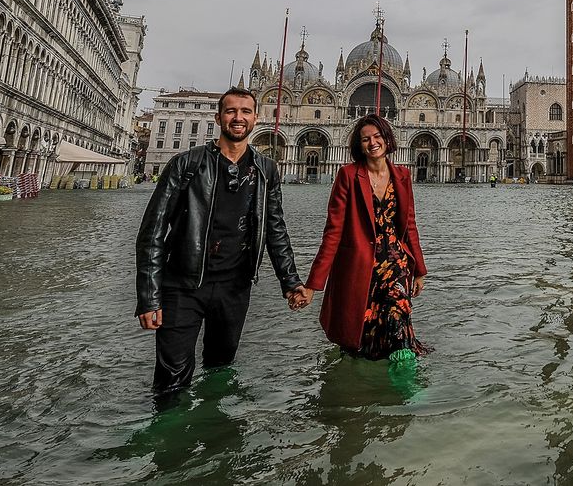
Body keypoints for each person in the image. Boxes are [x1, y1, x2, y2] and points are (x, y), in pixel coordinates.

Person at [135, 87, 306, 400]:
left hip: (234, 287)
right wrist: (148, 297)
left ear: (256, 118)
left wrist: (290, 281)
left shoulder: (266, 170)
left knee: (220, 369)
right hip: (183, 285)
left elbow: (275, 229)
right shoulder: (186, 164)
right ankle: (169, 441)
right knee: (171, 379)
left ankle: (213, 437)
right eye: (231, 111)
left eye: (245, 112)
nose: (238, 118)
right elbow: (153, 230)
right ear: (219, 118)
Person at [293, 114, 429, 363]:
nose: (373, 142)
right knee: (363, 336)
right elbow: (333, 232)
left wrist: (419, 270)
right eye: (366, 139)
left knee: (399, 330)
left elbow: (410, 226)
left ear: (388, 139)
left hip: (395, 266)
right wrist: (313, 285)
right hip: (360, 266)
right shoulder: (347, 175)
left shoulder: (403, 176)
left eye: (377, 136)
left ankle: (408, 390)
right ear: (358, 145)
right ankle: (364, 393)